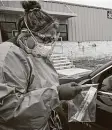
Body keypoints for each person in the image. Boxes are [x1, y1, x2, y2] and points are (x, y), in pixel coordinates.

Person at [0, 1, 82, 130]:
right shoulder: (7, 56)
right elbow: (7, 110)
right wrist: (57, 94)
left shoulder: (34, 52)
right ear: (26, 34)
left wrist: (64, 87)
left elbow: (42, 83)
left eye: (52, 40)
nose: (49, 45)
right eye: (45, 39)